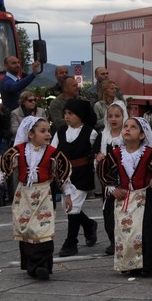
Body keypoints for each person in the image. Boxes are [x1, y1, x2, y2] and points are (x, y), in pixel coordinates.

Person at [97, 117, 152, 275]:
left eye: (133, 127)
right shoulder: (116, 153)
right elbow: (104, 173)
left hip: (144, 198)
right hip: (124, 198)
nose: (127, 129)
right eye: (126, 126)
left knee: (147, 230)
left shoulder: (150, 154)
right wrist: (112, 188)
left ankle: (147, 265)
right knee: (125, 231)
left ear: (142, 135)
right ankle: (129, 263)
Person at [0, 117, 72, 280]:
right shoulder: (18, 151)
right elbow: (4, 166)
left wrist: (67, 195)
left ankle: (43, 265)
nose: (48, 134)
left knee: (43, 228)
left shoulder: (54, 153)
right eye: (43, 131)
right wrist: (1, 178)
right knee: (26, 228)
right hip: (24, 193)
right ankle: (32, 265)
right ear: (30, 134)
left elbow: (63, 174)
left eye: (48, 131)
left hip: (44, 193)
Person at [52, 98, 99, 256]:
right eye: (65, 113)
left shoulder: (90, 132)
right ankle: (88, 225)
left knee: (73, 207)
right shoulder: (60, 132)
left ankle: (71, 242)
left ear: (80, 115)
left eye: (70, 113)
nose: (66, 116)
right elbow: (52, 151)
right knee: (69, 207)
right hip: (65, 175)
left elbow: (95, 151)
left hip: (82, 173)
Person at [94, 101, 127, 256]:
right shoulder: (102, 136)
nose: (113, 119)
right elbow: (95, 156)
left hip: (125, 178)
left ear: (123, 117)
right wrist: (99, 158)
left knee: (125, 210)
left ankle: (124, 239)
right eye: (110, 116)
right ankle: (113, 240)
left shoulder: (127, 135)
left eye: (117, 116)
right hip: (108, 180)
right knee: (109, 212)